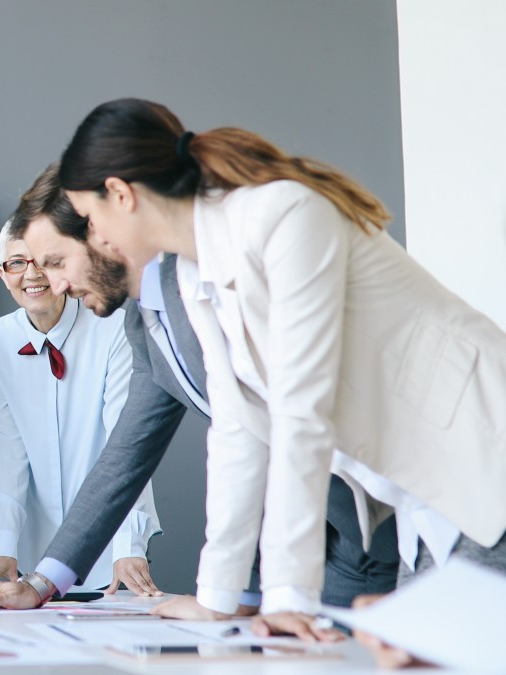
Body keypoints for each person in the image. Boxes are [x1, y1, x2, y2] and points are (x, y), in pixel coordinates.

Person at [55, 96, 506, 641]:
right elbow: (238, 432)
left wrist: (289, 595)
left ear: (121, 194)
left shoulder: (284, 214)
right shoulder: (199, 278)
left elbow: (300, 408)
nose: (93, 236)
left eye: (88, 216)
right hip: (426, 492)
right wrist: (217, 597)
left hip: (481, 453)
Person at [0, 163, 397, 615]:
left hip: (399, 510)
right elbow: (125, 456)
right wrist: (43, 582)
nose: (54, 284)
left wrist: (228, 597)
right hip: (335, 535)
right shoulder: (145, 321)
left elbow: (253, 438)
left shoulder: (219, 279)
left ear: (101, 235)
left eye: (57, 262)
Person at [0, 206, 162, 593]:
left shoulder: (110, 326)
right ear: (2, 274)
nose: (31, 274)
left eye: (44, 261)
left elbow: (127, 444)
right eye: (16, 263)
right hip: (35, 556)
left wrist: (129, 544)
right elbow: (8, 452)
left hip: (112, 551)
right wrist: (4, 544)